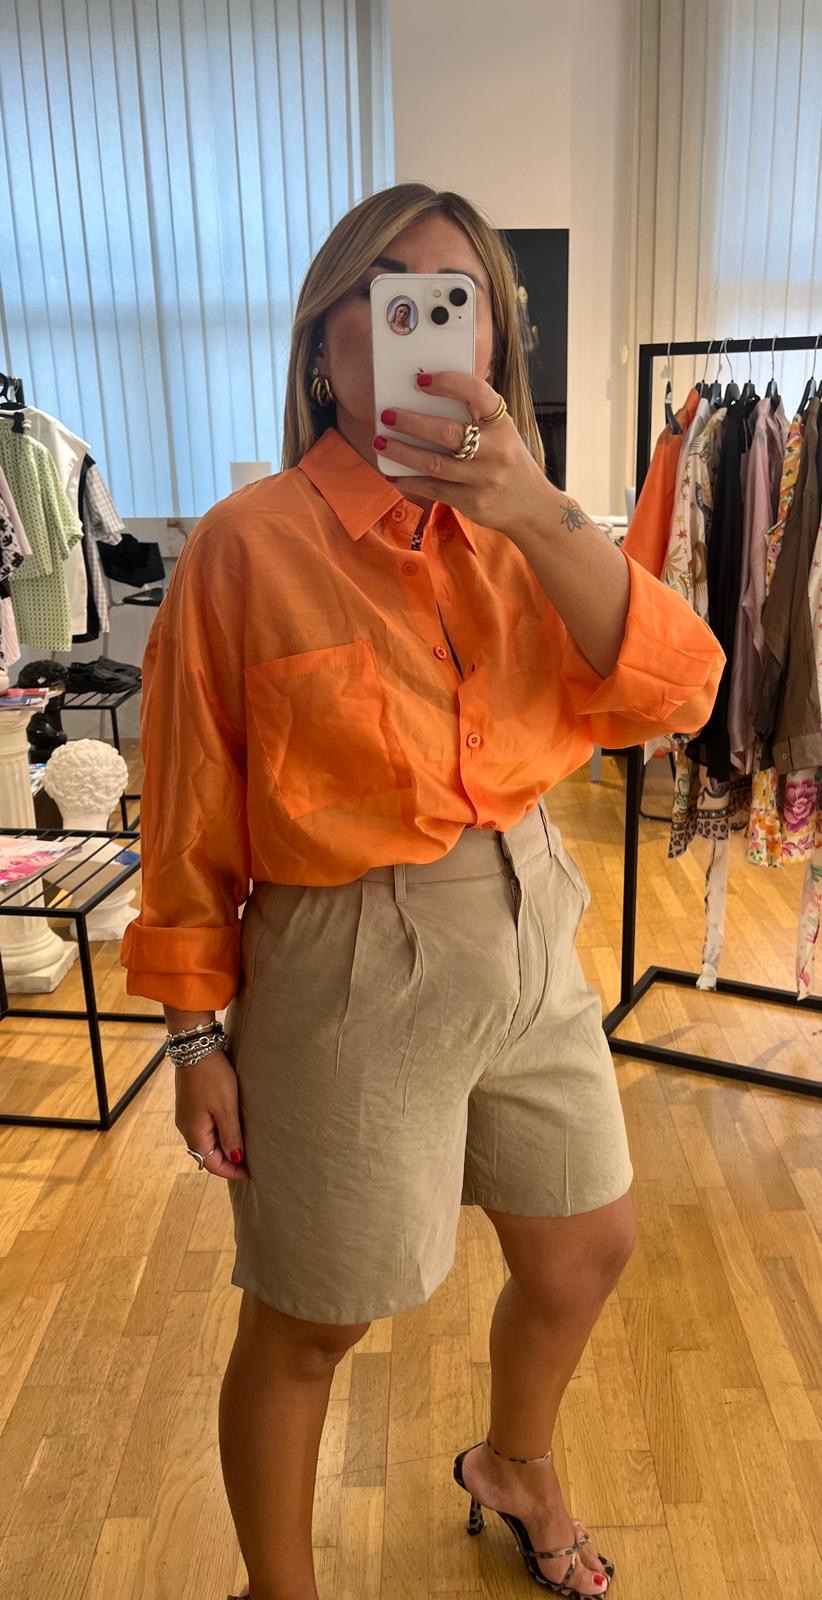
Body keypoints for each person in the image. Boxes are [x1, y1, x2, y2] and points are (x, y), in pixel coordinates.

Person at [122, 182, 725, 1599]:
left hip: (530, 915)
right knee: (311, 1321)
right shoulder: (246, 545)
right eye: (389, 294)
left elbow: (680, 693)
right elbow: (192, 810)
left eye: (460, 305)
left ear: (493, 347)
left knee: (586, 1248)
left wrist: (540, 515)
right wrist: (195, 1036)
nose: (424, 327)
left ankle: (515, 1464)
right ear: (324, 342)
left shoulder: (534, 531)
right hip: (344, 957)